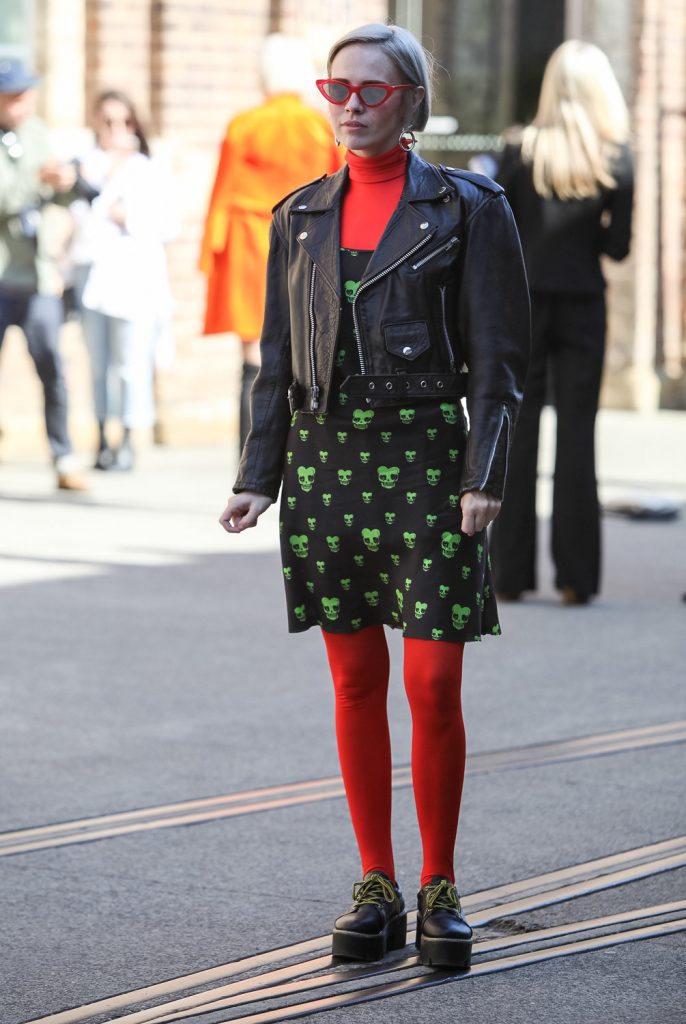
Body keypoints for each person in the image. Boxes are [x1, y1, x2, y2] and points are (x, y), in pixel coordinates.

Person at [219, 23, 529, 969]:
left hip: (429, 463)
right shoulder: (298, 215)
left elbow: (500, 360)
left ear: (411, 101)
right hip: (326, 465)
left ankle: (440, 884)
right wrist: (257, 476)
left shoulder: (471, 207)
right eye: (337, 88)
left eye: (372, 90)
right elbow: (276, 361)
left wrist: (484, 475)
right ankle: (376, 884)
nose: (350, 105)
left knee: (433, 683)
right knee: (355, 681)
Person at [489, 40, 634, 605]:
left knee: (518, 430)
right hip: (583, 304)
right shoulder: (616, 158)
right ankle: (576, 577)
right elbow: (617, 248)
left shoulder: (517, 150)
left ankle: (510, 575)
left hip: (523, 303)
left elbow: (499, 230)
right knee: (578, 435)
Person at [199, 33, 343, 453]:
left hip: (250, 247)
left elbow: (221, 196)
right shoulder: (318, 128)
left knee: (253, 356)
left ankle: (251, 457)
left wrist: (210, 258)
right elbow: (340, 189)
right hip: (306, 245)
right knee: (308, 348)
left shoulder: (244, 125)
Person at [0, 58, 93, 490]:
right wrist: (40, 180)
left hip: (36, 277)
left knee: (52, 368)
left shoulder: (36, 133)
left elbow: (54, 195)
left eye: (26, 95)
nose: (22, 105)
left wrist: (67, 182)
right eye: (13, 97)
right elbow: (6, 198)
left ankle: (64, 459)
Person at [70, 90, 176, 471]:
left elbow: (168, 224)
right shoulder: (84, 166)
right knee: (98, 363)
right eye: (109, 122)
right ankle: (101, 438)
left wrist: (127, 216)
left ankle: (129, 440)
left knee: (132, 362)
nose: (117, 130)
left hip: (134, 276)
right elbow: (79, 222)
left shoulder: (150, 169)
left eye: (125, 122)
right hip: (93, 274)